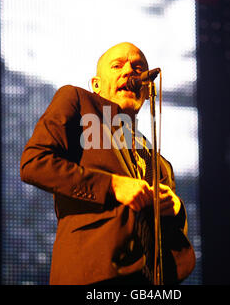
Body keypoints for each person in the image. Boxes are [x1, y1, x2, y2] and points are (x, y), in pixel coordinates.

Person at [20, 42, 195, 285]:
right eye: (117, 66)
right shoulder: (77, 100)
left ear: (146, 88)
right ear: (96, 85)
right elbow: (34, 163)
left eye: (137, 68)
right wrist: (112, 185)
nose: (129, 72)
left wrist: (174, 208)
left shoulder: (160, 163)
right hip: (92, 273)